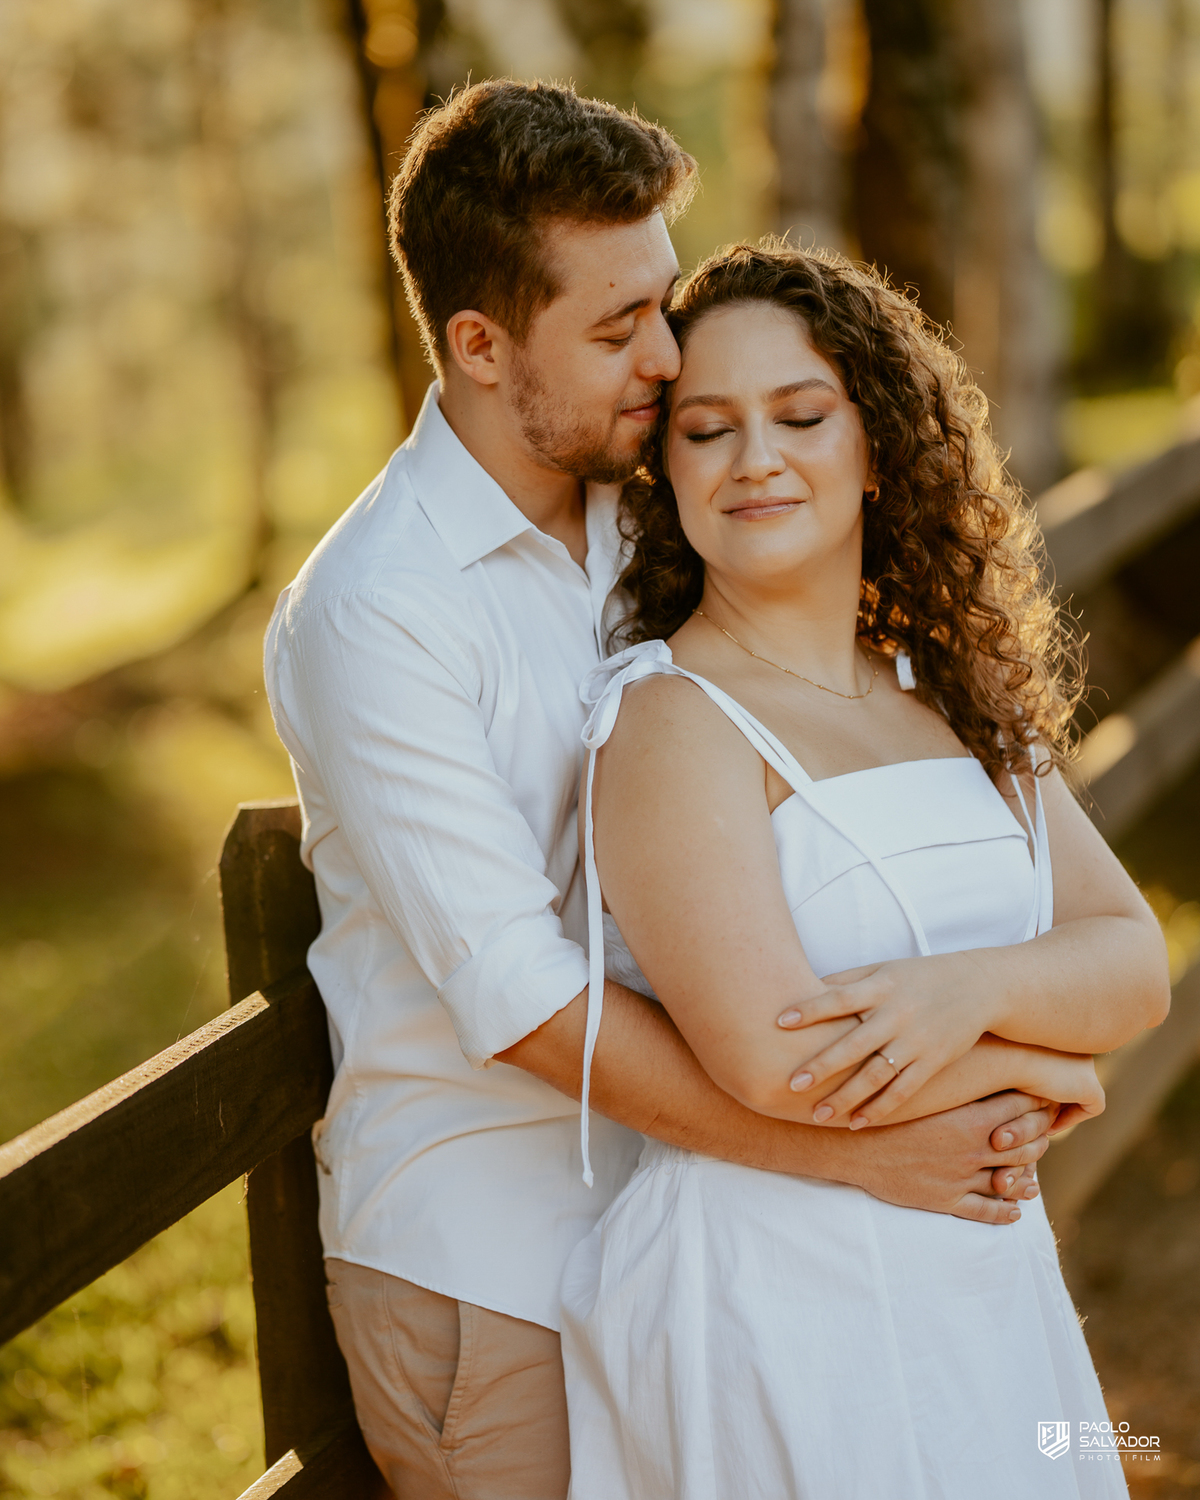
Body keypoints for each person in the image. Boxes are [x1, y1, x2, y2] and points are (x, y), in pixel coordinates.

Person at [266, 81, 1074, 1500]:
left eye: (661, 301)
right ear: (477, 345)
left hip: (696, 1222)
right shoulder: (375, 614)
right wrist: (866, 1155)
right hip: (492, 1257)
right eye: (616, 324)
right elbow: (517, 993)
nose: (666, 353)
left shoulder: (641, 512)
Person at [559, 241, 1171, 1499]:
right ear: (665, 470)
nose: (756, 459)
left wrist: (963, 995)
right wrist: (1043, 1059)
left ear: (879, 444)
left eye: (801, 414)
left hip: (976, 1276)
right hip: (783, 1298)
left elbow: (1131, 958)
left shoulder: (944, 694)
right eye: (708, 430)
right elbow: (778, 1059)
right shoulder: (671, 719)